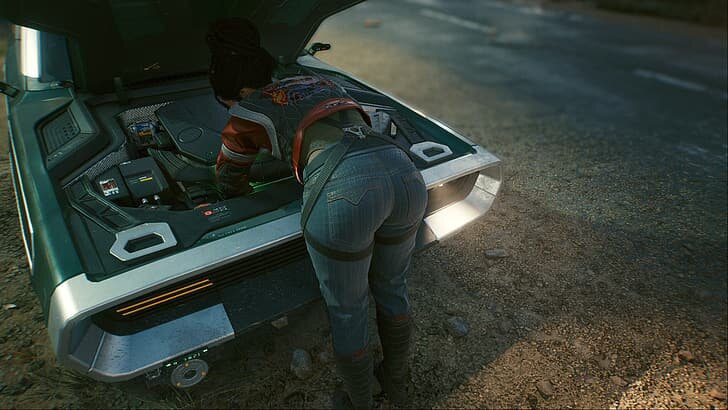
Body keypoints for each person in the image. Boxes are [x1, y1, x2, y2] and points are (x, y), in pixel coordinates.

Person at [206, 18, 427, 409]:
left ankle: (359, 402)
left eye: (226, 103)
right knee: (393, 286)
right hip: (403, 172)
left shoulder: (246, 113)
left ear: (239, 92)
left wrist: (232, 191)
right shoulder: (320, 83)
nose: (229, 110)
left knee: (348, 310)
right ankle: (397, 383)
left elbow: (228, 178)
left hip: (344, 189)